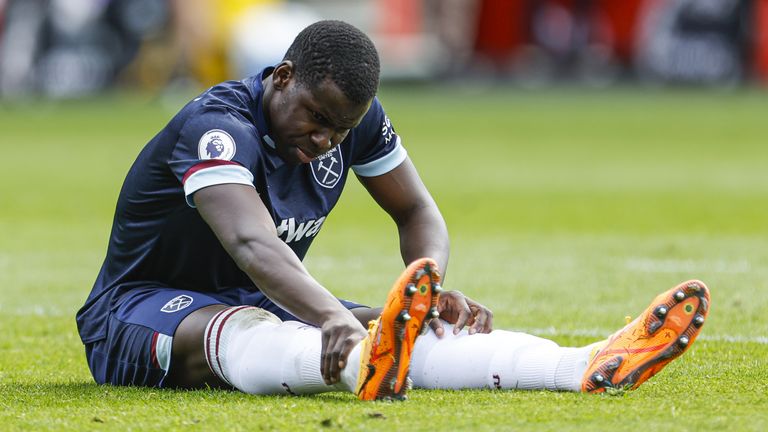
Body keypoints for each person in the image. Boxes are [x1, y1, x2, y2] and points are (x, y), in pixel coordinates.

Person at [76, 20, 710, 400]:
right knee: (262, 335)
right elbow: (253, 246)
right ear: (282, 76)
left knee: (410, 330)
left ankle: (582, 364)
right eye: (317, 119)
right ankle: (357, 364)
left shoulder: (351, 121)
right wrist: (331, 316)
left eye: (339, 129)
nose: (326, 140)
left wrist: (427, 282)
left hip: (256, 295)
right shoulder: (217, 127)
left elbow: (418, 213)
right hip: (137, 308)